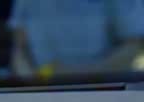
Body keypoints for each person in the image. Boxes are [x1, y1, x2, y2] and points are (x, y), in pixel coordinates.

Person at [9, 0, 144, 80]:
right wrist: (35, 81)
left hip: (105, 92)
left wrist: (82, 76)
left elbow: (135, 45)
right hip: (43, 94)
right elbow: (19, 48)